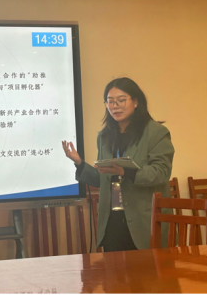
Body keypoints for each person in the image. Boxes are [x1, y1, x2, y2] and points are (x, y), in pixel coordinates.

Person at [62, 78, 175, 252]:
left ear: (135, 101)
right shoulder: (104, 136)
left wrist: (126, 172)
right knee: (113, 269)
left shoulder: (156, 132)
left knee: (147, 269)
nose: (115, 106)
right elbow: (104, 179)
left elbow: (161, 172)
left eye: (121, 100)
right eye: (110, 101)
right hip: (113, 218)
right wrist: (79, 163)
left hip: (144, 220)